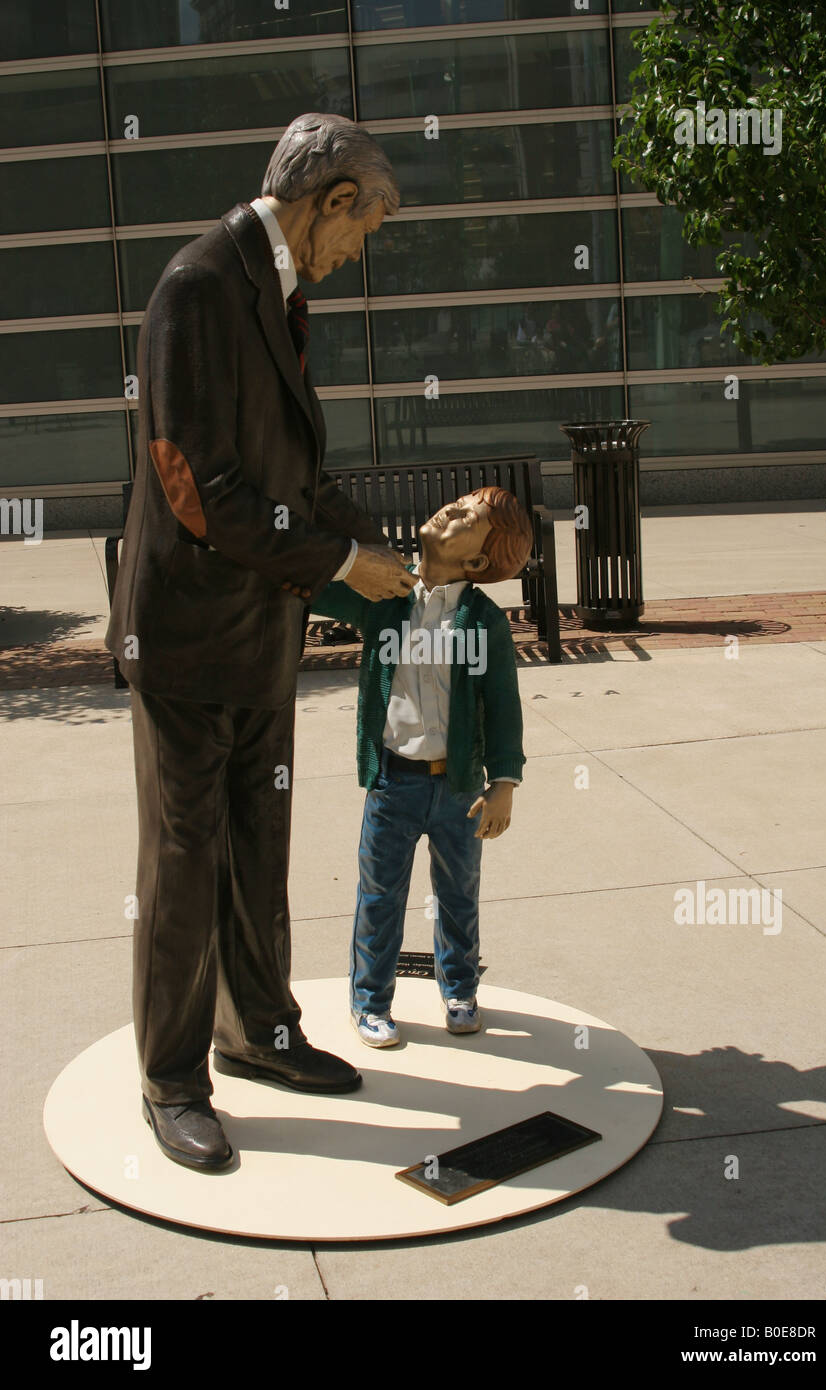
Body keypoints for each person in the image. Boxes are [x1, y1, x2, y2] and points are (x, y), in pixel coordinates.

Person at [105, 114, 415, 1172]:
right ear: (331, 200)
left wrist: (373, 545)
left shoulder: (274, 298)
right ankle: (172, 1078)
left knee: (256, 847)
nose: (357, 249)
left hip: (256, 631)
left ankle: (260, 1031)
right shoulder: (197, 287)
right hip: (190, 637)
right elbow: (196, 485)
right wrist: (336, 564)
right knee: (185, 860)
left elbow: (284, 473)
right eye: (362, 225)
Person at [311, 487, 532, 1046]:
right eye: (457, 503)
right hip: (393, 781)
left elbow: (503, 705)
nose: (449, 510)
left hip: (459, 787)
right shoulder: (385, 596)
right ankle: (371, 1001)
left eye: (467, 517)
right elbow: (311, 587)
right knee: (379, 895)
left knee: (459, 893)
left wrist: (503, 782)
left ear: (478, 561)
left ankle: (459, 990)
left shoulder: (483, 622)